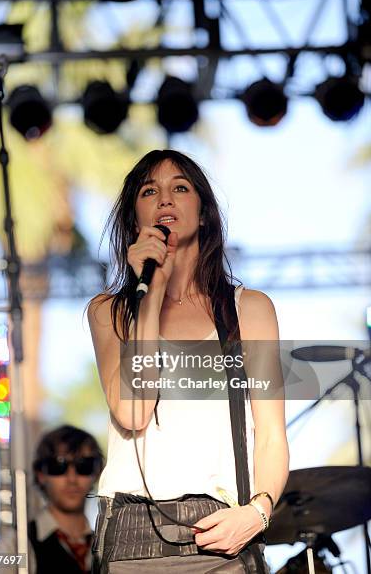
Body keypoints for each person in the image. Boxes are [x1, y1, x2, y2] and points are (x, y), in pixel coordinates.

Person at [88, 149, 289, 573]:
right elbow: (134, 409)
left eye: (180, 188)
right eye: (150, 191)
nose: (165, 199)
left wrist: (258, 513)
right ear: (133, 219)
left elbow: (271, 435)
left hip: (222, 534)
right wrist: (153, 287)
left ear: (202, 215)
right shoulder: (110, 311)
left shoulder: (247, 310)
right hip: (132, 537)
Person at [0, 424, 104, 574]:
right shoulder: (14, 546)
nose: (72, 478)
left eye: (84, 466)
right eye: (58, 466)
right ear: (41, 473)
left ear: (98, 472)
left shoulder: (108, 545)